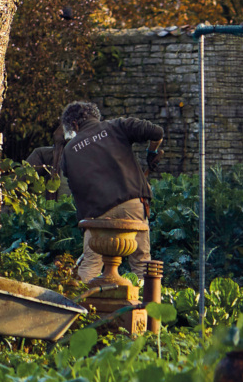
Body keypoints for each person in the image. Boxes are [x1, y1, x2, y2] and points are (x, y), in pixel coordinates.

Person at [26, 101, 163, 280]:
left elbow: (74, 183)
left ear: (74, 124)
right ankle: (147, 305)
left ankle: (83, 306)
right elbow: (157, 133)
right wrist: (151, 153)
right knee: (141, 261)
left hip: (96, 215)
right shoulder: (117, 126)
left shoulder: (68, 151)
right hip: (132, 204)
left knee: (91, 264)